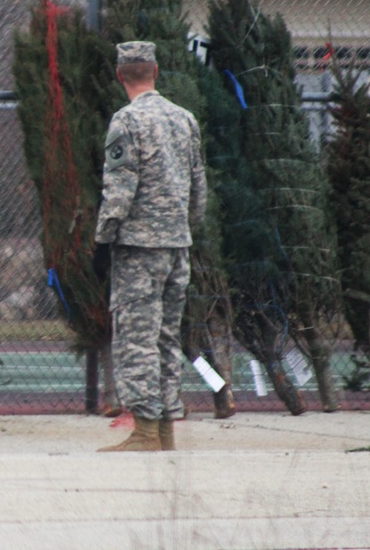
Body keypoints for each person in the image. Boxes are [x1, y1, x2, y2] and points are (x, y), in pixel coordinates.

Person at [94, 41, 206, 452]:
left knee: (136, 336)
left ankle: (144, 430)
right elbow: (199, 187)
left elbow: (120, 187)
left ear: (121, 75)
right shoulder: (185, 119)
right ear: (155, 72)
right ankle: (165, 432)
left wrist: (104, 238)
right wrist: (184, 227)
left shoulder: (126, 120)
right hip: (177, 244)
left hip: (139, 247)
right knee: (166, 337)